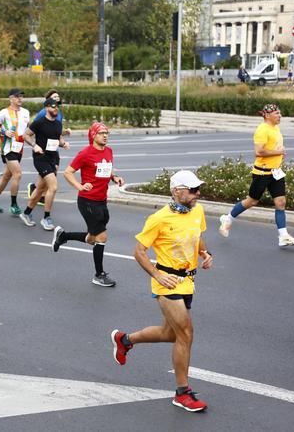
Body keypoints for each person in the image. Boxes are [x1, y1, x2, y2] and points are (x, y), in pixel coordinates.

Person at [111, 170, 213, 413]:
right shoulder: (159, 219)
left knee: (170, 334)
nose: (198, 194)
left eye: (198, 188)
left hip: (188, 281)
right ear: (176, 191)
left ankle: (125, 340)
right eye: (193, 190)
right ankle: (182, 392)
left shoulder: (197, 211)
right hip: (167, 282)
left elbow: (197, 236)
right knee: (186, 333)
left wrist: (205, 253)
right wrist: (157, 275)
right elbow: (139, 251)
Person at [218, 104, 294, 247]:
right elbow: (259, 152)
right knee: (252, 201)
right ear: (267, 116)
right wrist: (279, 152)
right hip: (262, 173)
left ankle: (283, 236)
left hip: (276, 172)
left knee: (281, 203)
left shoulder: (275, 128)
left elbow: (273, 147)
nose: (280, 115)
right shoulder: (262, 130)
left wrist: (279, 153)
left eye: (279, 113)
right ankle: (228, 218)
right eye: (276, 113)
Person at [52, 122, 123, 286]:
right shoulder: (85, 153)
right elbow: (68, 172)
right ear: (93, 135)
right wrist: (79, 186)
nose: (105, 136)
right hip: (87, 201)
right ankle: (99, 275)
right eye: (101, 133)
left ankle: (63, 236)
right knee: (102, 236)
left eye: (106, 133)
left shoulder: (109, 151)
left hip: (101, 200)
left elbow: (107, 168)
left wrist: (115, 177)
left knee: (92, 239)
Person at [20, 97, 69, 231]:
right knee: (53, 187)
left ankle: (26, 213)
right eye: (53, 106)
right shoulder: (39, 122)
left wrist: (63, 143)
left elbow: (57, 138)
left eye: (57, 106)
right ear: (46, 108)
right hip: (40, 158)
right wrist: (35, 145)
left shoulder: (58, 123)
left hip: (53, 158)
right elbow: (26, 135)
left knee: (40, 188)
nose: (56, 109)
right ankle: (46, 217)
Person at [0, 88, 30, 215]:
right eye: (17, 96)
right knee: (18, 174)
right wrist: (4, 132)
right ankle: (14, 204)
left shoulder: (26, 112)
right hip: (7, 147)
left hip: (19, 147)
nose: (20, 98)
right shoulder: (4, 112)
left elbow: (28, 129)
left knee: (7, 176)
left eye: (21, 96)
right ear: (11, 98)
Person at [27, 89, 70, 206]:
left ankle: (35, 191)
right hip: (42, 153)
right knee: (52, 182)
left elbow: (57, 131)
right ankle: (45, 208)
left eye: (58, 97)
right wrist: (36, 144)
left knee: (52, 173)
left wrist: (63, 140)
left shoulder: (58, 113)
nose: (57, 99)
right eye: (54, 97)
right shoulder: (42, 114)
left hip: (54, 149)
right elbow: (34, 128)